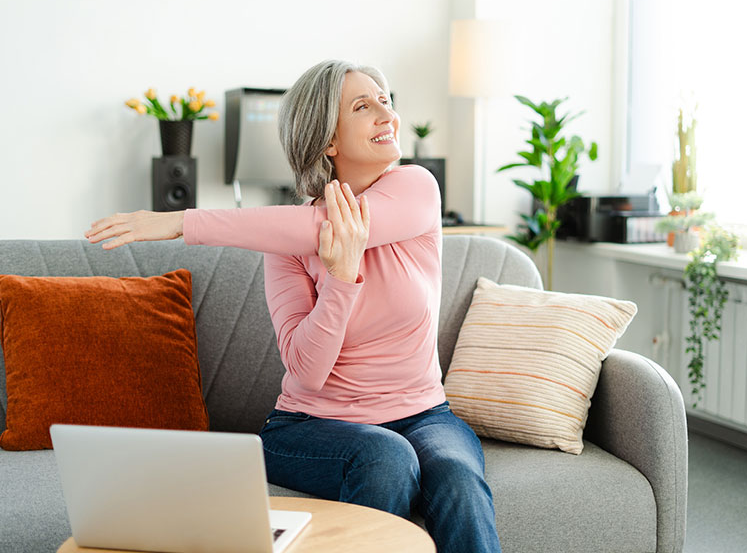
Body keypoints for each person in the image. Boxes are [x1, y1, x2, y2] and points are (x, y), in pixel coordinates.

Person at [85, 60, 502, 553]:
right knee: (384, 459)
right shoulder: (284, 245)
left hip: (424, 414)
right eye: (362, 107)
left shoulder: (417, 188)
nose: (386, 115)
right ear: (328, 141)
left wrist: (182, 222)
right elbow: (308, 372)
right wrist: (340, 281)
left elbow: (325, 229)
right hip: (311, 426)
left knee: (457, 476)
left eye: (385, 100)